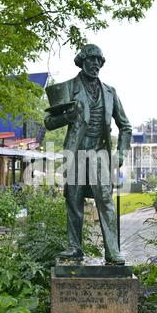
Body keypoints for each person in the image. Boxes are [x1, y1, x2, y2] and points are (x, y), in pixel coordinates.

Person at [44, 44, 132, 264]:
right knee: (73, 201)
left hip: (100, 153)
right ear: (82, 61)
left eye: (99, 61)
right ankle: (75, 247)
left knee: (104, 200)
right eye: (92, 59)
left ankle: (112, 250)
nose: (96, 64)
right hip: (75, 153)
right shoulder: (68, 88)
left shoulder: (110, 92)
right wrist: (67, 117)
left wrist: (121, 153)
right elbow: (49, 122)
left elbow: (125, 126)